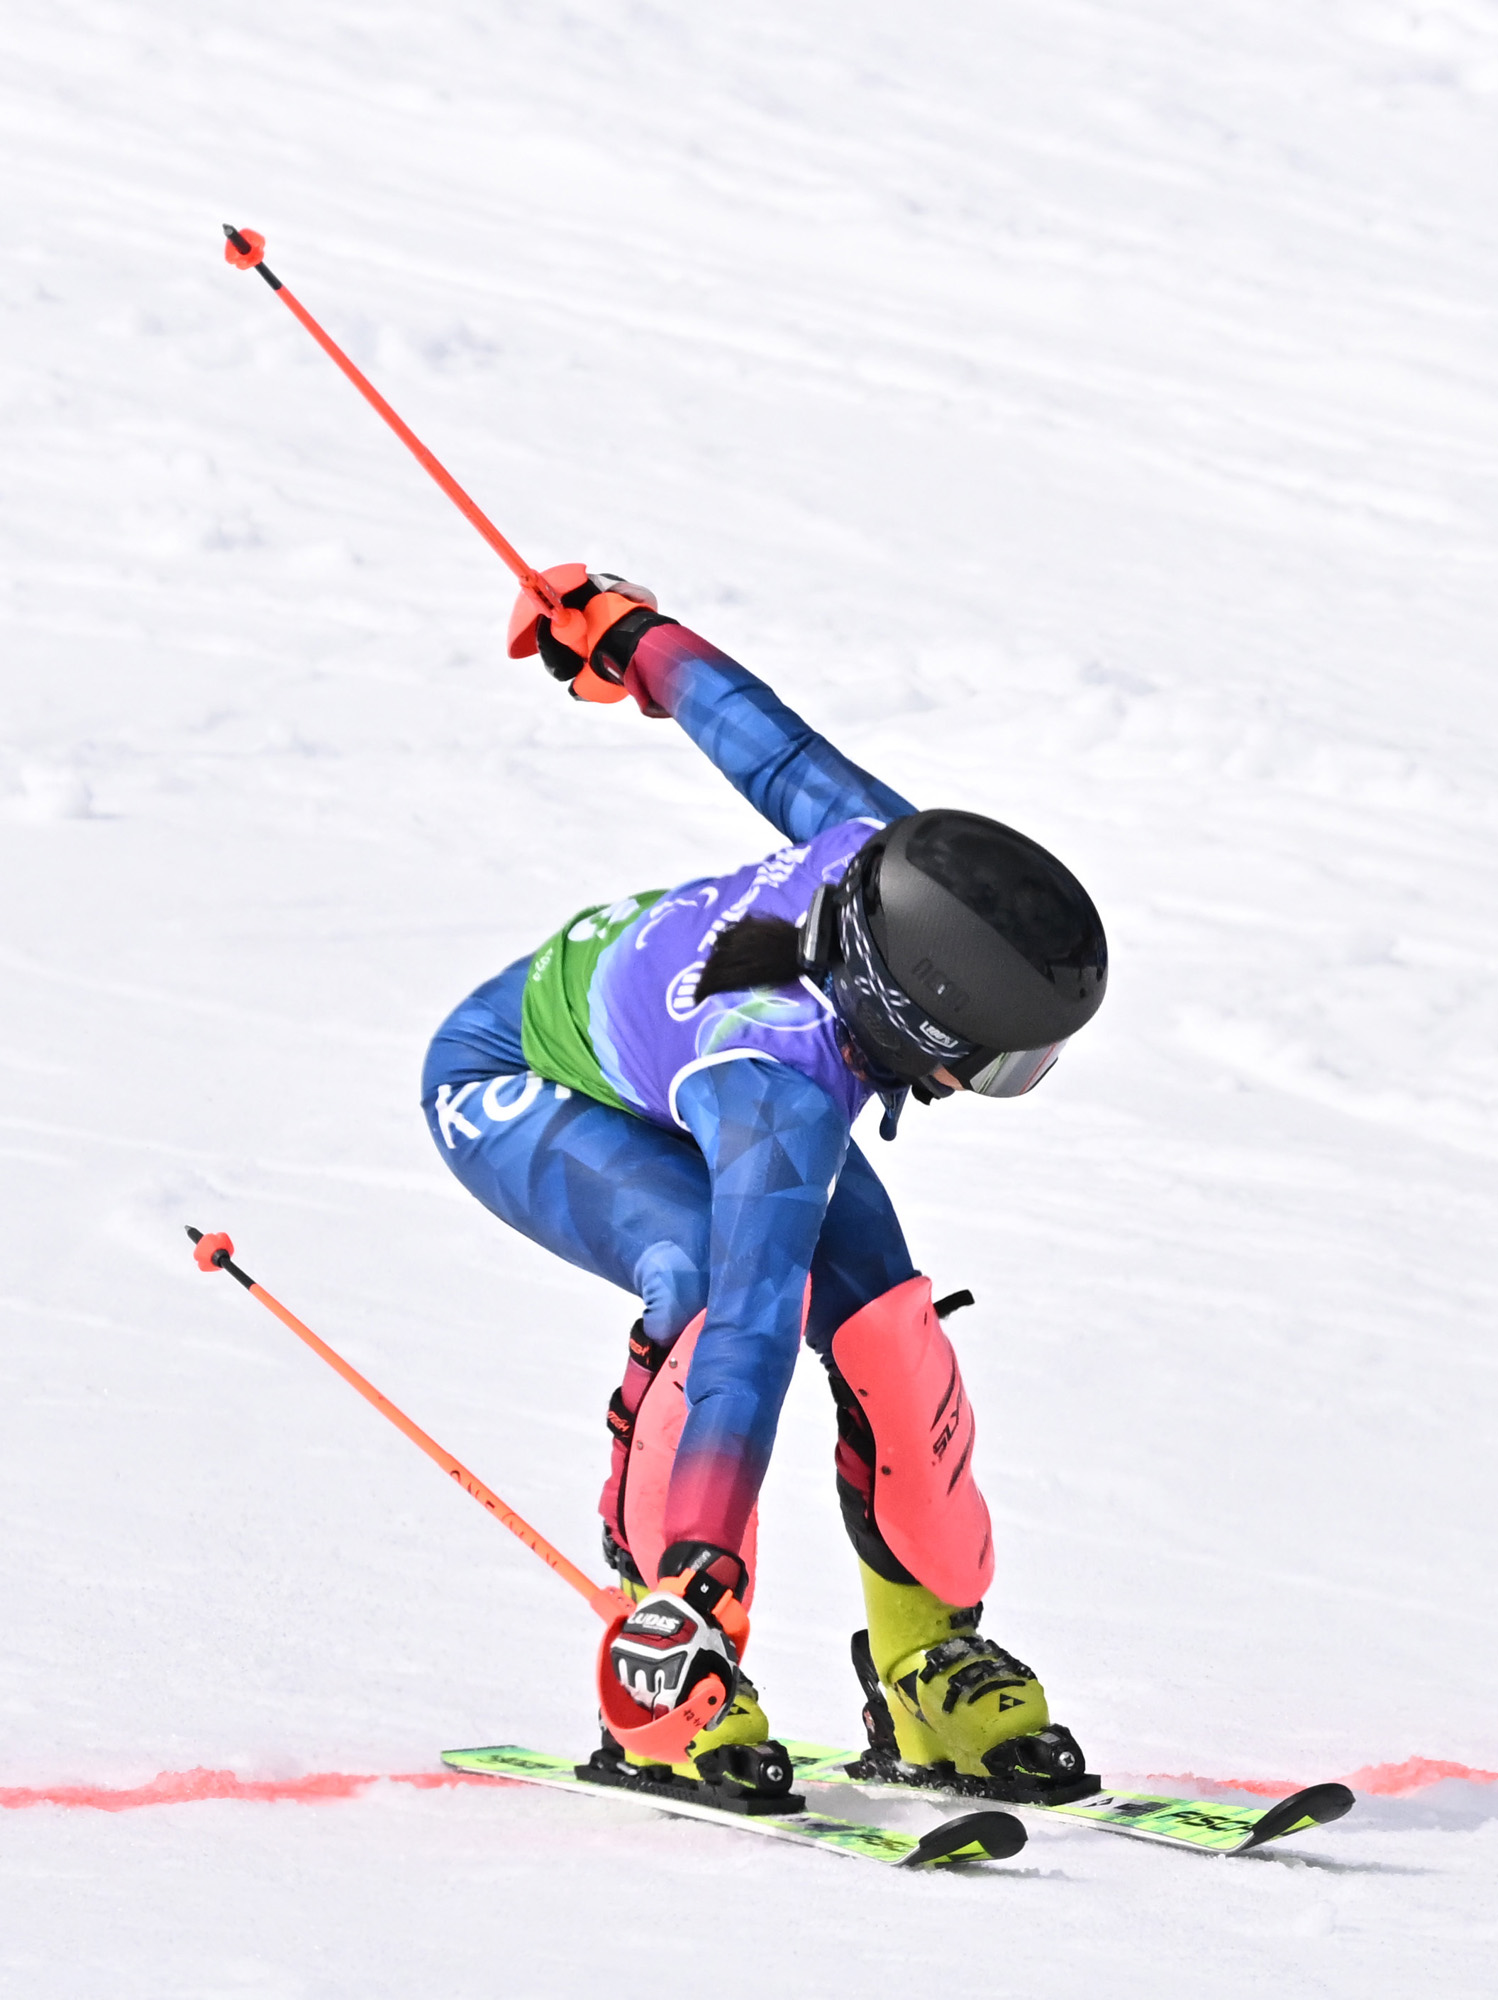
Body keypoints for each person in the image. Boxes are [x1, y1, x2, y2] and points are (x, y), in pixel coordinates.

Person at [421, 572, 1107, 1802]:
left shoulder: (894, 859)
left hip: (685, 1065)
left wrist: (636, 638)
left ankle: (927, 1660)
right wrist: (699, 1562)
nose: (998, 1083)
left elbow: (765, 736)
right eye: (1001, 1064)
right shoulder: (779, 1090)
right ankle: (670, 1663)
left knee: (888, 1328)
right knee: (707, 1280)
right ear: (907, 1012)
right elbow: (745, 1332)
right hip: (515, 1075)